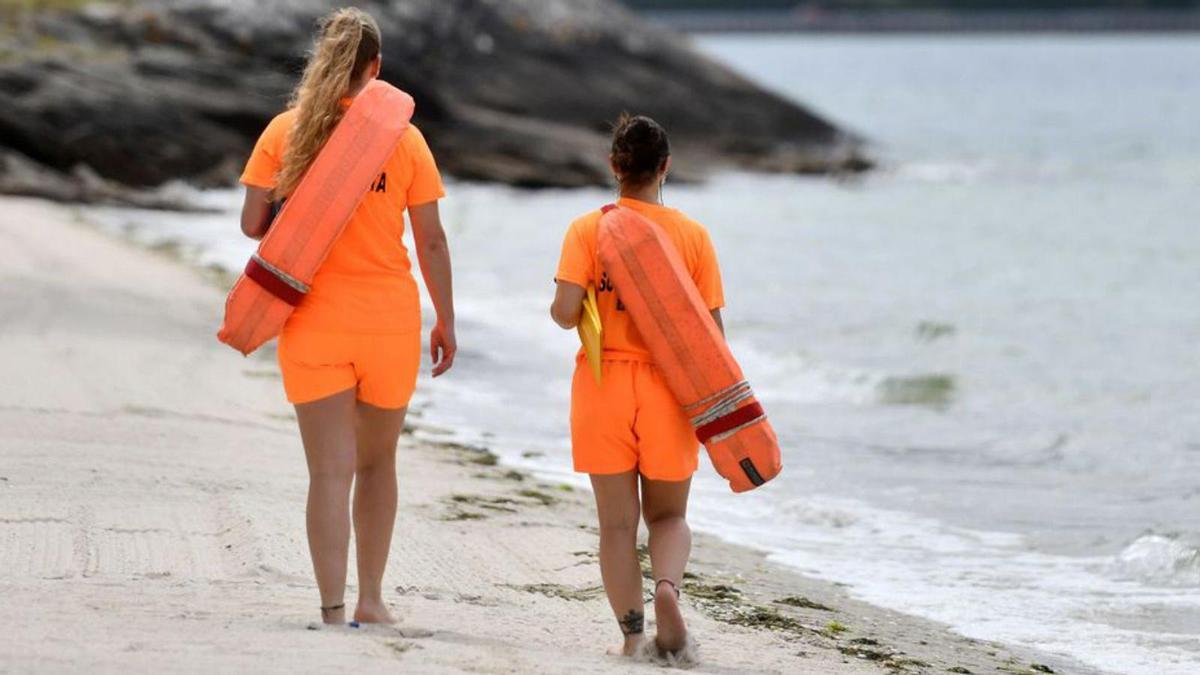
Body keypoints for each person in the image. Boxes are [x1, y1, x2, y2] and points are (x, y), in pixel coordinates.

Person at [238, 7, 456, 626]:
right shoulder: (404, 138)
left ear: (322, 62)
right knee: (377, 463)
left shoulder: (286, 130)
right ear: (376, 68)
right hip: (387, 322)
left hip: (312, 320)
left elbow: (254, 225)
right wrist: (446, 319)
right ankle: (371, 600)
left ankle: (333, 611)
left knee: (327, 473)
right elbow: (432, 241)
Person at [550, 115, 724, 658]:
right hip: (669, 392)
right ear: (665, 168)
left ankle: (632, 638)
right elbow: (713, 337)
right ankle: (667, 589)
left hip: (603, 385)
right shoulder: (693, 237)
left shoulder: (587, 229)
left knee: (616, 526)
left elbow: (563, 313)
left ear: (614, 167)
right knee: (668, 517)